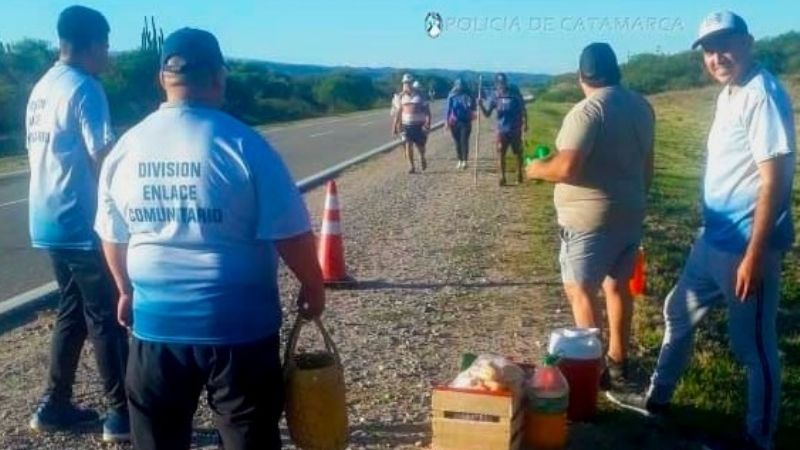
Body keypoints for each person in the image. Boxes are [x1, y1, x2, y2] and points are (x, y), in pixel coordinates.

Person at [94, 28, 326, 450]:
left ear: (162, 79)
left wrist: (124, 291)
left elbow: (113, 235)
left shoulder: (127, 148)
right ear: (219, 78)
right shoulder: (244, 143)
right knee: (246, 434)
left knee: (157, 435)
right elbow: (290, 231)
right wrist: (312, 284)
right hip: (238, 326)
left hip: (156, 327)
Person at [610, 12, 796, 450]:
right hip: (712, 239)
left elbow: (778, 178)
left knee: (754, 349)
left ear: (748, 42)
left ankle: (759, 437)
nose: (717, 57)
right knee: (678, 312)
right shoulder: (731, 93)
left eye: (725, 45)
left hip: (746, 248)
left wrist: (755, 254)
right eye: (709, 50)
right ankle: (658, 399)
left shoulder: (761, 94)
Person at [525, 43, 655, 395]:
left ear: (582, 76)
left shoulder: (587, 111)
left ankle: (593, 371)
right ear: (617, 71)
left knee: (581, 289)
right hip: (631, 210)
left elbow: (567, 167)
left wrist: (537, 169)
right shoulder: (642, 106)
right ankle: (618, 361)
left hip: (589, 220)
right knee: (617, 287)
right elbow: (648, 164)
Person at [25, 5, 129, 443]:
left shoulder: (42, 88)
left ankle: (55, 403)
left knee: (73, 312)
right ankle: (121, 414)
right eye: (105, 46)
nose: (107, 54)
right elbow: (103, 156)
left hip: (46, 220)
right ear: (89, 45)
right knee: (106, 315)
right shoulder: (86, 88)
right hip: (82, 221)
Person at [479, 73, 528, 186]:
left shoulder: (515, 95)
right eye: (499, 83)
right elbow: (487, 114)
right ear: (496, 84)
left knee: (518, 153)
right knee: (500, 152)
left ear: (506, 82)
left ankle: (519, 173)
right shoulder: (495, 97)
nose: (501, 85)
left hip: (515, 129)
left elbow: (523, 110)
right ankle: (502, 176)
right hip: (502, 130)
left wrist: (525, 124)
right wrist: (481, 105)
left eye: (503, 82)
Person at [393, 73, 431, 174]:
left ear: (412, 83)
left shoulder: (420, 95)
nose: (407, 85)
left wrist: (428, 123)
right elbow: (399, 112)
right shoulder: (401, 97)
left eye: (409, 83)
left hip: (419, 125)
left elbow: (427, 111)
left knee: (421, 147)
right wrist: (396, 125)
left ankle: (422, 157)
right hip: (407, 125)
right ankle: (411, 166)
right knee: (408, 145)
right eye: (405, 83)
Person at [444, 78, 476, 170]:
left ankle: (465, 161)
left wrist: (473, 105)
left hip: (466, 122)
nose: (460, 87)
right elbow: (448, 109)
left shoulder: (468, 95)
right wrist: (446, 121)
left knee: (464, 141)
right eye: (458, 85)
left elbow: (473, 108)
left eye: (461, 85)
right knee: (457, 142)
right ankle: (459, 159)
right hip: (454, 122)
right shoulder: (452, 95)